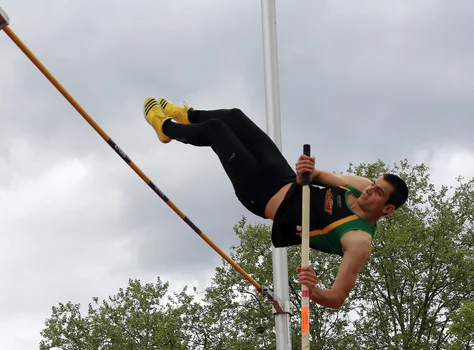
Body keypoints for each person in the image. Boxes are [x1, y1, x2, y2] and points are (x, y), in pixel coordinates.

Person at [143, 97, 409, 309]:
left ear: (387, 209)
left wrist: (313, 288)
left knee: (216, 131)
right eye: (374, 184)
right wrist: (308, 170)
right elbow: (318, 176)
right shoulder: (360, 185)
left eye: (378, 193)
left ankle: (166, 128)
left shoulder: (359, 240)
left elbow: (337, 297)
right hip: (283, 177)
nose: (370, 190)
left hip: (261, 195)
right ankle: (188, 116)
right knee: (234, 116)